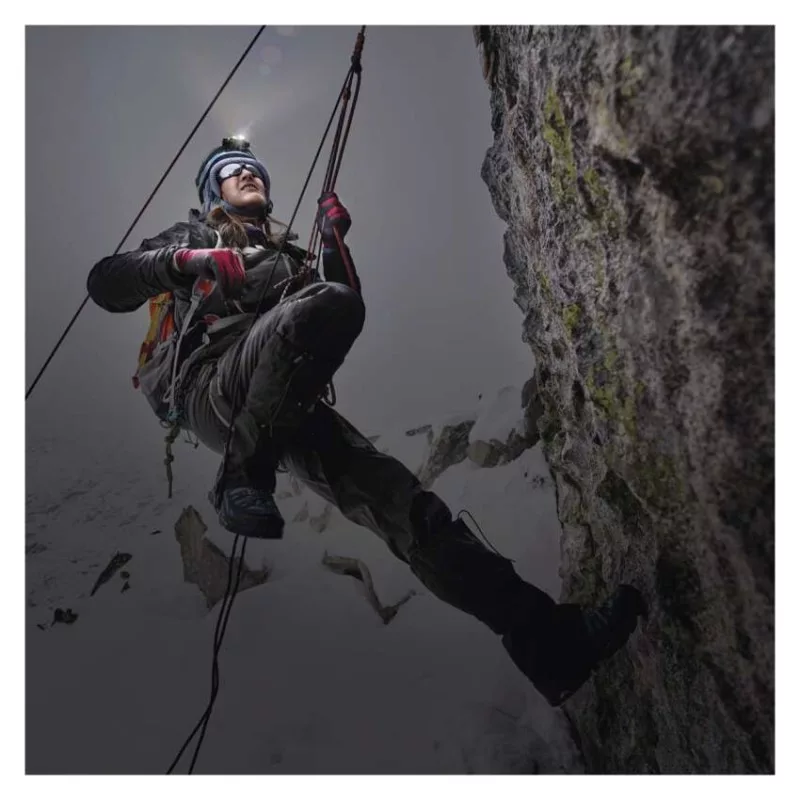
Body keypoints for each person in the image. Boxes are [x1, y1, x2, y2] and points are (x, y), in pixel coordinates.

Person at [87, 136, 645, 706]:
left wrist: (333, 243)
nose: (248, 173)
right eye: (232, 170)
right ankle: (240, 476)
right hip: (213, 388)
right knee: (326, 306)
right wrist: (185, 260)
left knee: (408, 511)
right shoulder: (194, 236)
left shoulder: (286, 258)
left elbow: (337, 306)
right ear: (213, 192)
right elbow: (105, 283)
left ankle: (550, 645)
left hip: (280, 404)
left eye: (254, 169)